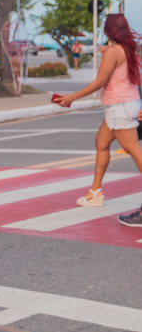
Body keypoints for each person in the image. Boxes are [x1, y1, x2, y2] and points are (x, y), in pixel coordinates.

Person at [58, 14, 142, 227]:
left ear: (109, 30)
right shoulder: (128, 50)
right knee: (101, 142)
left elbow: (100, 81)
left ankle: (95, 191)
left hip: (119, 107)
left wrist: (72, 98)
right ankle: (95, 191)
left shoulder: (114, 51)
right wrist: (108, 50)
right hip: (125, 104)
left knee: (133, 149)